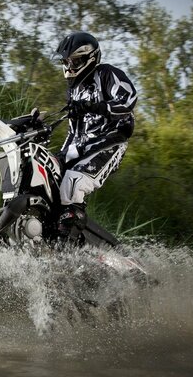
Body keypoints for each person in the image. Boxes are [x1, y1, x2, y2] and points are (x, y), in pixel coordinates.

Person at [51, 31, 137, 243]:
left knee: (74, 182)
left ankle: (69, 247)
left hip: (111, 142)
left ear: (90, 58)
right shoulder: (73, 91)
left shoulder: (106, 74)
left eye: (75, 62)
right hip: (83, 146)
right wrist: (61, 156)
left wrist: (96, 106)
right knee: (48, 173)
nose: (70, 67)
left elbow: (128, 100)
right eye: (67, 62)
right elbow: (73, 131)